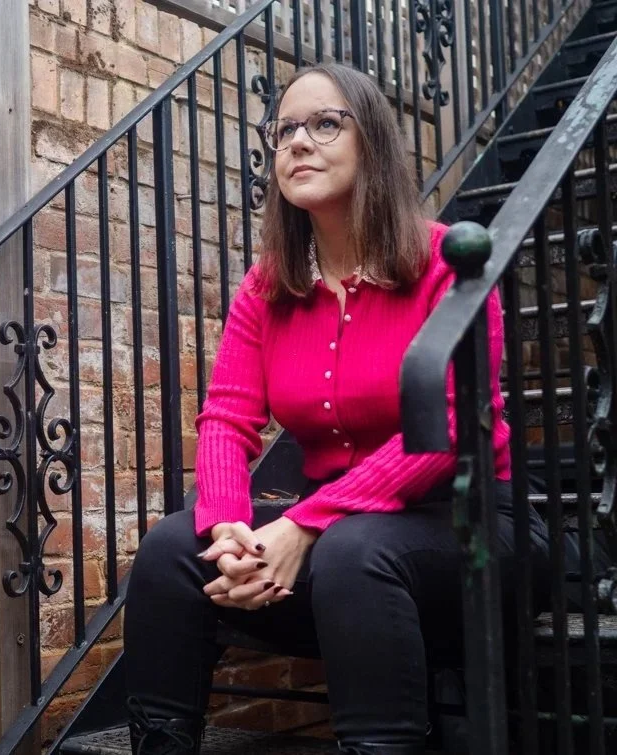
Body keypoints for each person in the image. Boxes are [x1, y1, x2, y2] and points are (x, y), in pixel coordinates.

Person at [122, 62, 550, 754]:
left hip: (469, 526)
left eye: (325, 124)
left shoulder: (448, 264)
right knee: (172, 549)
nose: (298, 141)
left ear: (370, 142)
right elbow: (226, 418)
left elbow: (443, 432)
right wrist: (230, 528)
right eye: (285, 129)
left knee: (354, 552)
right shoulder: (267, 286)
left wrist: (305, 523)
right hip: (344, 531)